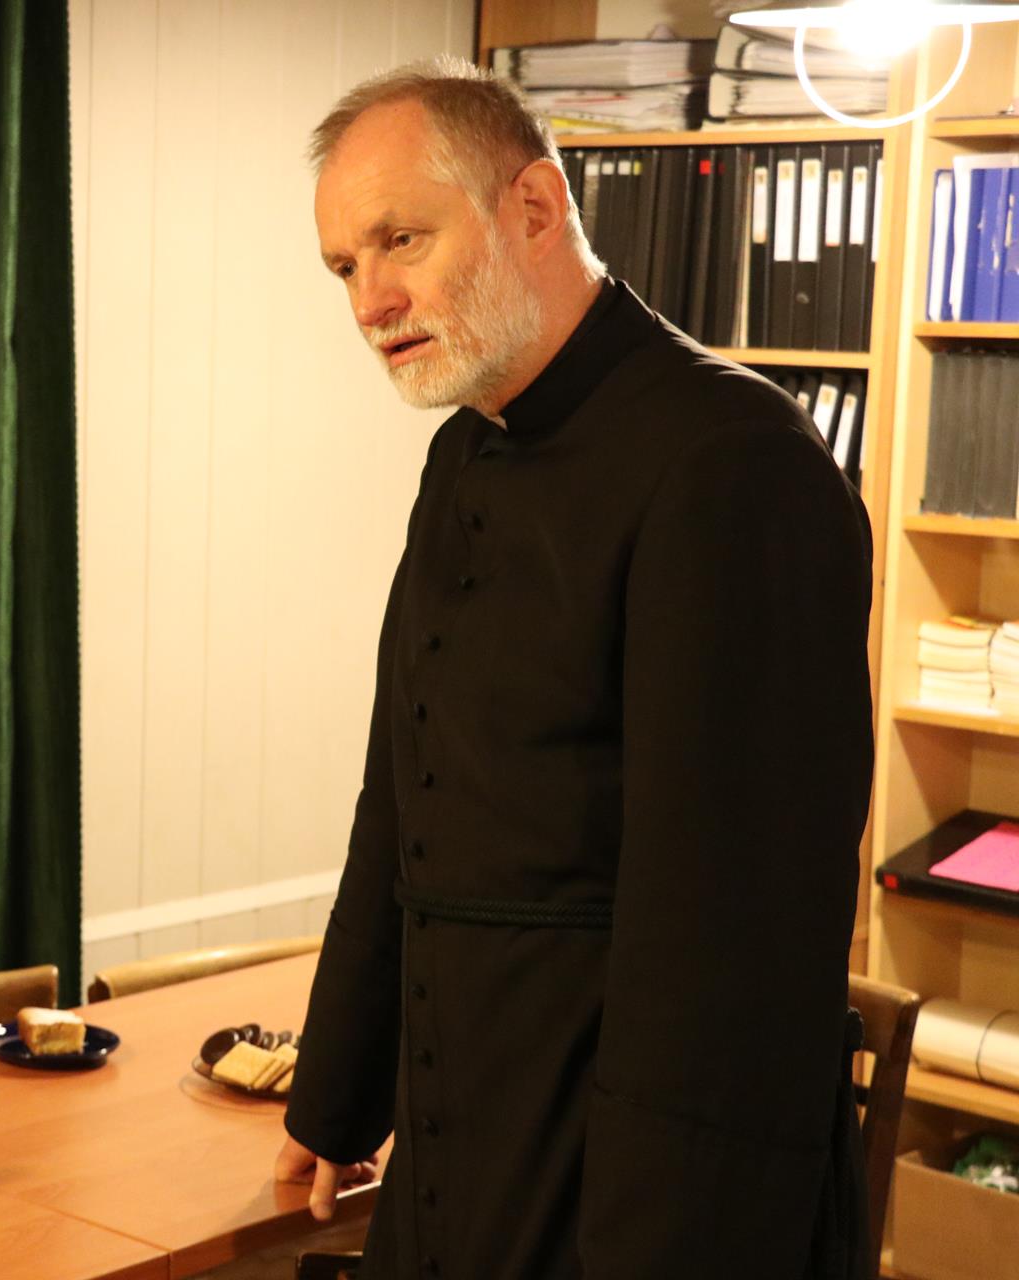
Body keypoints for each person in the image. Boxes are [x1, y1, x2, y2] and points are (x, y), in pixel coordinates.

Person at [272, 58, 874, 1279]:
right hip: (461, 1132)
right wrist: (335, 1091)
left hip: (630, 1174)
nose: (371, 300)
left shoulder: (733, 461)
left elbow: (733, 946)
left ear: (537, 208)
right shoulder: (466, 451)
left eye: (401, 240)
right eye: (343, 266)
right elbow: (402, 803)